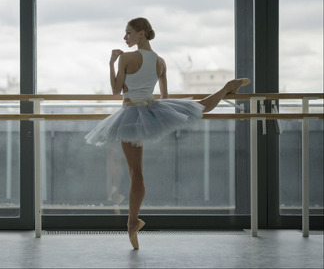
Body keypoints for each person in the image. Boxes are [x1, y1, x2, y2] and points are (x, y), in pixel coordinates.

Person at [85, 17, 250, 250]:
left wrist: (111, 63)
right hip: (151, 109)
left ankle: (133, 222)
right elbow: (164, 97)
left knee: (135, 172)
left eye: (128, 33)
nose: (125, 38)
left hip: (131, 113)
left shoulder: (125, 57)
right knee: (199, 105)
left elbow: (115, 90)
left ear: (141, 33)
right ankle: (225, 89)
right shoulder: (160, 62)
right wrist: (160, 112)